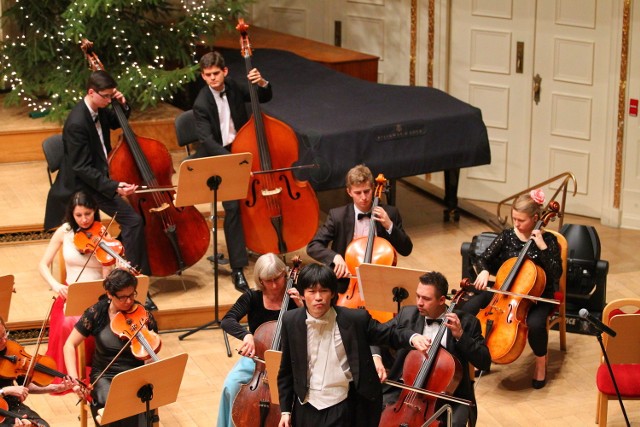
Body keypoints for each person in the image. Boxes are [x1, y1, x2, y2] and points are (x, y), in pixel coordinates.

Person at [43, 70, 154, 310]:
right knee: (132, 221)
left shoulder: (100, 108)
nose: (109, 101)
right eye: (106, 97)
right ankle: (120, 274)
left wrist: (123, 105)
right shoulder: (76, 123)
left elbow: (115, 121)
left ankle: (128, 276)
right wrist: (114, 187)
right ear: (91, 93)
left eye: (112, 96)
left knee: (133, 221)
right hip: (81, 187)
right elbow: (82, 168)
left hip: (98, 180)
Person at [276, 264, 430, 427]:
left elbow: (388, 333)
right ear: (302, 294)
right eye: (312, 291)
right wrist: (285, 411)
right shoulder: (290, 320)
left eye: (324, 291)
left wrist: (412, 338)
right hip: (305, 407)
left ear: (333, 293)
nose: (318, 297)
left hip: (341, 405)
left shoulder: (355, 319)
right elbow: (286, 370)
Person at [459, 189, 562, 389]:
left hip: (536, 296)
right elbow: (481, 258)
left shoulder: (548, 241)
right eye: (514, 218)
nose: (516, 224)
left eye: (521, 220)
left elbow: (556, 273)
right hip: (504, 292)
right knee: (468, 309)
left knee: (536, 324)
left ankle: (540, 363)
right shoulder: (507, 236)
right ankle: (480, 354)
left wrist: (542, 247)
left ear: (535, 218)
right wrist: (482, 271)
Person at [192, 51, 273, 293]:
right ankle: (238, 268)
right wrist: (234, 162)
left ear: (224, 72)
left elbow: (262, 97)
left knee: (256, 198)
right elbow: (206, 140)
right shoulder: (200, 102)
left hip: (244, 147)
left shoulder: (234, 86)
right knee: (232, 208)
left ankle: (262, 243)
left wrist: (262, 82)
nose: (212, 78)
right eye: (207, 75)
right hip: (220, 155)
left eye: (216, 73)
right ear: (203, 75)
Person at [372, 271, 491, 427]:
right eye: (418, 296)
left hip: (448, 396)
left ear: (442, 300)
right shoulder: (407, 314)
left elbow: (484, 361)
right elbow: (375, 334)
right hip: (403, 392)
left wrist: (460, 336)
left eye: (426, 299)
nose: (419, 303)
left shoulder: (467, 322)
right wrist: (376, 358)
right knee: (369, 411)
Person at [217, 253, 303, 427]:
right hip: (258, 361)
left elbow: (313, 325)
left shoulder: (296, 296)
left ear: (285, 274)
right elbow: (227, 320)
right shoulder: (252, 297)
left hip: (288, 361)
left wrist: (302, 306)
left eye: (277, 279)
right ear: (260, 280)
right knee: (231, 385)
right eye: (267, 280)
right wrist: (246, 335)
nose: (273, 285)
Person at [64, 269, 158, 426]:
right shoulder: (97, 312)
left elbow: (152, 349)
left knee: (138, 401)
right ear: (109, 294)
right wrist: (74, 380)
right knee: (115, 405)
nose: (129, 301)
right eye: (122, 297)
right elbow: (69, 345)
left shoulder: (143, 314)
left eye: (132, 295)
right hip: (105, 376)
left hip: (135, 375)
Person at [38, 192, 110, 383]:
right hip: (71, 294)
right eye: (79, 215)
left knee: (103, 321)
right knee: (70, 323)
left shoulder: (103, 233)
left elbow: (107, 275)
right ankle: (71, 374)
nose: (84, 219)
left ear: (95, 211)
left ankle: (98, 367)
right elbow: (43, 264)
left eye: (88, 214)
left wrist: (111, 261)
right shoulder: (64, 231)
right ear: (72, 214)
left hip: (98, 295)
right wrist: (56, 285)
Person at [306, 164, 413, 283]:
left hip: (380, 280)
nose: (364, 197)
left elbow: (406, 249)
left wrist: (389, 225)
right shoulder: (338, 216)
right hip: (346, 282)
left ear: (373, 188)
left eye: (367, 191)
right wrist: (334, 257)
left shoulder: (390, 213)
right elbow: (313, 246)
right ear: (349, 192)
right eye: (358, 193)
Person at [0, 316, 76, 427]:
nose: (4, 340)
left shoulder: (11, 348)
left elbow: (27, 385)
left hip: (13, 406)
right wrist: (5, 390)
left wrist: (55, 387)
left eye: (4, 334)